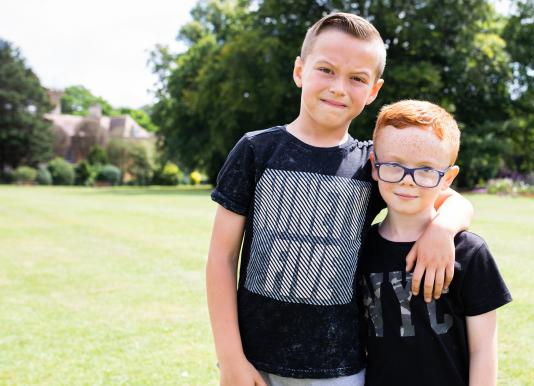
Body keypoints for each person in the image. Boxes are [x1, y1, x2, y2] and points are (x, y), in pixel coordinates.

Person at [205, 13, 474, 386]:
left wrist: (443, 230)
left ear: (374, 91)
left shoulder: (372, 165)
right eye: (326, 70)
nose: (339, 88)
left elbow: (452, 197)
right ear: (300, 70)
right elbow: (221, 258)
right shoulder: (256, 150)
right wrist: (230, 357)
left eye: (357, 78)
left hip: (340, 369)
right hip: (253, 362)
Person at [360, 100, 512, 386]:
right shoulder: (361, 248)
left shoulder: (469, 252)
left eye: (426, 170)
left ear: (448, 178)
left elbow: (483, 349)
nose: (408, 181)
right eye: (394, 165)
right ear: (374, 166)